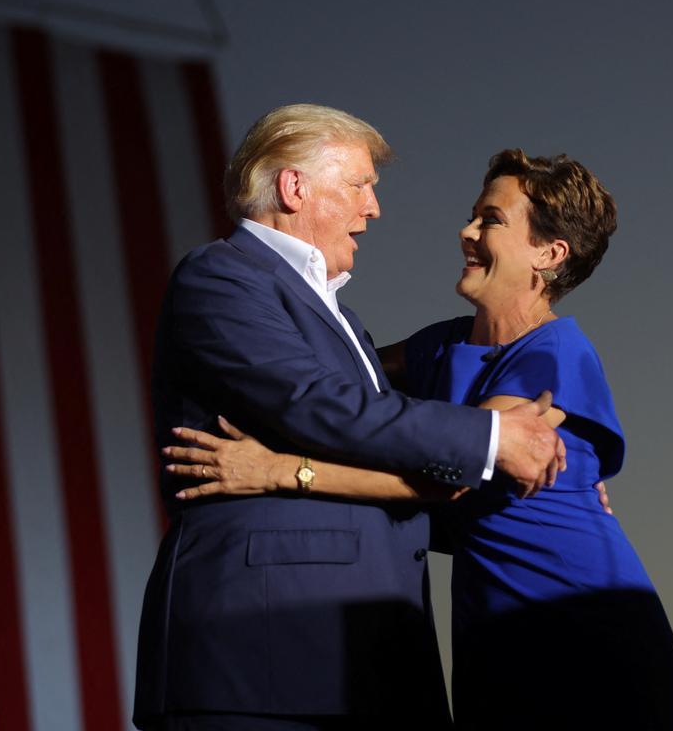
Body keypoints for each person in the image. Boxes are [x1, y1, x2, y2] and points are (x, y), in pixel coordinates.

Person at [165, 149, 673, 729]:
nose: (467, 231)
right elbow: (330, 384)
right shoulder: (439, 346)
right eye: (473, 214)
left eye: (492, 219)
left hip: (580, 628)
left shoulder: (554, 354)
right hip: (490, 637)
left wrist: (280, 470)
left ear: (549, 253)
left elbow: (446, 481)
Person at [133, 106, 564, 731]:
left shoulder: (342, 319)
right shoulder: (221, 277)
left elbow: (393, 451)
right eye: (360, 185)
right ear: (294, 187)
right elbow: (320, 406)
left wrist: (555, 484)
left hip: (369, 662)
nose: (374, 208)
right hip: (265, 658)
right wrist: (495, 438)